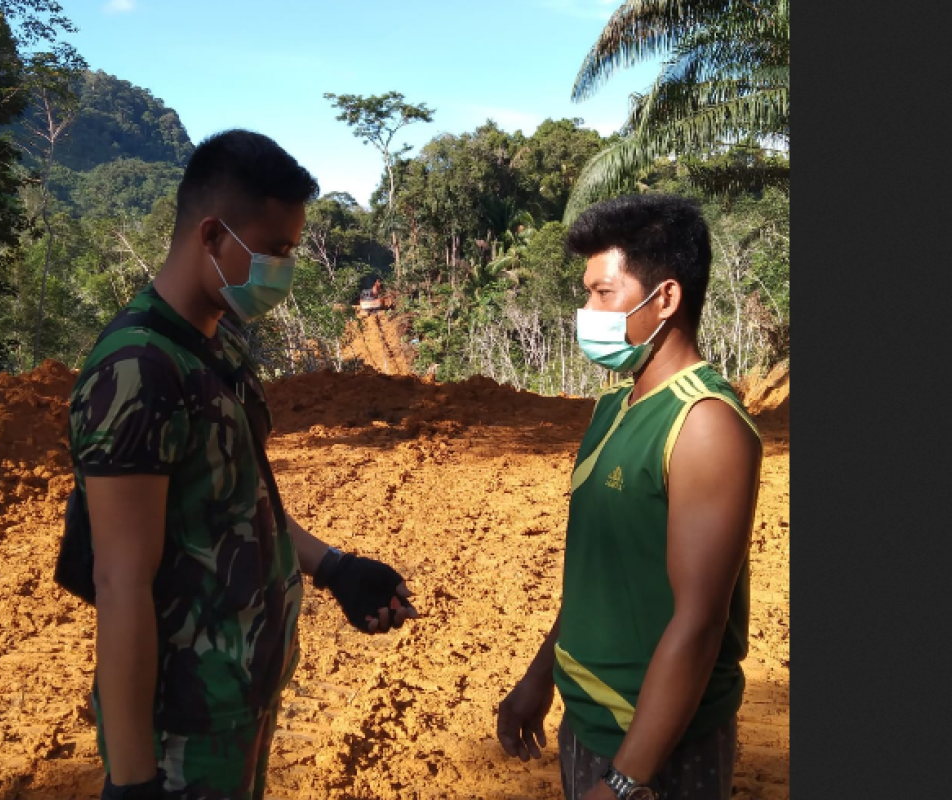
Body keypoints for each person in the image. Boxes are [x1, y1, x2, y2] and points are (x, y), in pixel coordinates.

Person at [64, 129, 418, 800]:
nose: (283, 269)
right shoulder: (137, 371)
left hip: (239, 704)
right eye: (275, 250)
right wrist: (134, 781)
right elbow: (119, 582)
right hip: (181, 733)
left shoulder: (215, 348)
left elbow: (239, 504)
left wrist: (335, 568)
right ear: (210, 236)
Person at [496, 194, 762, 800]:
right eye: (586, 293)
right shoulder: (615, 406)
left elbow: (699, 623)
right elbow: (600, 575)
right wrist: (541, 677)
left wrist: (624, 781)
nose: (587, 310)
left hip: (661, 749)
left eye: (603, 293)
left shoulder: (703, 425)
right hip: (589, 722)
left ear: (665, 297)